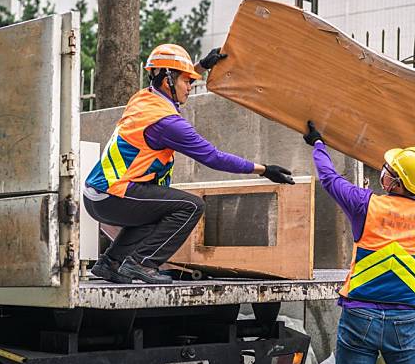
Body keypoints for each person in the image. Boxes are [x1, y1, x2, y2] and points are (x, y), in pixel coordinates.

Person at [84, 44, 294, 284]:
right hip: (113, 196)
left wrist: (201, 66)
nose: (191, 87)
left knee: (156, 211)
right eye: (187, 81)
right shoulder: (167, 123)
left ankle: (110, 263)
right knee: (191, 206)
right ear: (168, 82)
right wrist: (265, 170)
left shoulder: (144, 98)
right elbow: (213, 157)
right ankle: (143, 263)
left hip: (97, 196)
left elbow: (168, 76)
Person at [302, 111, 415, 364]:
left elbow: (328, 178)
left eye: (389, 168)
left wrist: (318, 144)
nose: (383, 170)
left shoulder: (365, 204)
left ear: (395, 182)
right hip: (403, 320)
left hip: (358, 317)